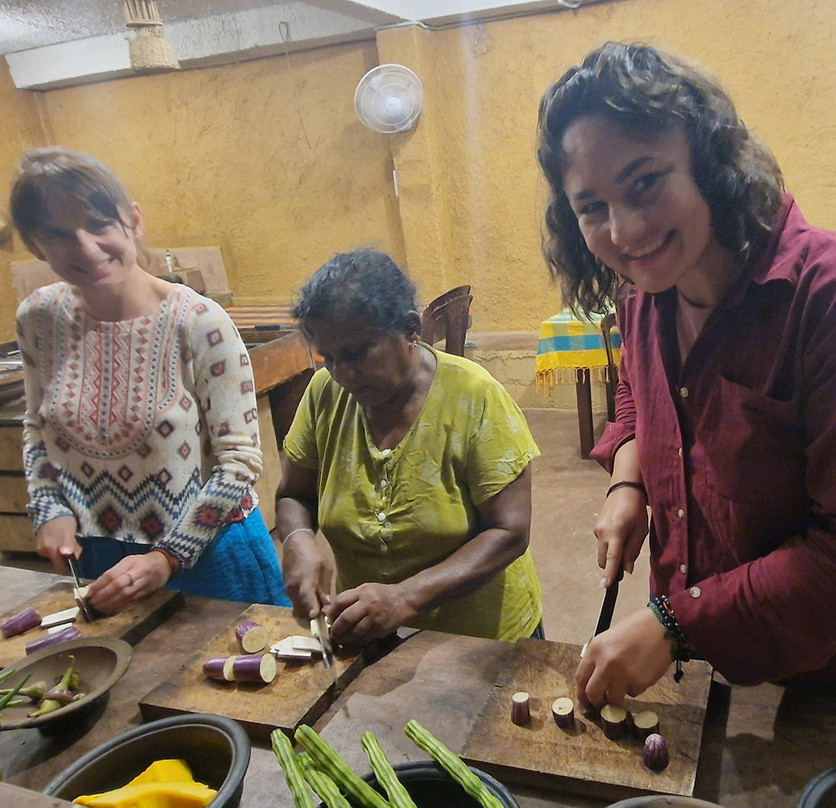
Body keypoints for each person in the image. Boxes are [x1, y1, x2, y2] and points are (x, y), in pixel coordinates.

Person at [537, 43, 836, 706]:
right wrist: (626, 483)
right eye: (592, 208)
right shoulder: (643, 294)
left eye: (645, 182)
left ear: (709, 160)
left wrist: (674, 623)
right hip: (703, 639)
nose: (627, 229)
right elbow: (639, 394)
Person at [9, 146, 288, 612]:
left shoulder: (198, 322)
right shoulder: (39, 319)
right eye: (58, 235)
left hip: (211, 554)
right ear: (37, 245)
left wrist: (168, 556)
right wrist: (49, 508)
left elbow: (239, 460)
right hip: (99, 555)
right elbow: (38, 428)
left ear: (133, 221)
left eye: (99, 225)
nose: (85, 248)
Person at [276, 248, 543, 646]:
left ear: (410, 329)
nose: (342, 374)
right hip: (368, 632)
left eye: (356, 353)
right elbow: (294, 495)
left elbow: (509, 531)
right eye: (328, 358)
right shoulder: (325, 395)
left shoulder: (475, 396)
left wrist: (406, 597)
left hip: (481, 642)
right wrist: (298, 541)